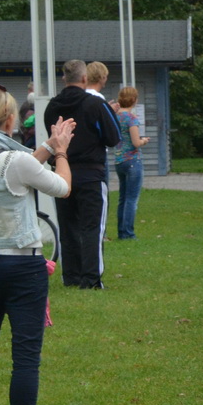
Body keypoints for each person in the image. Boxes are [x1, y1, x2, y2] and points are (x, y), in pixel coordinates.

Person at [0, 86, 74, 405]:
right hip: (21, 267)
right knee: (25, 359)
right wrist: (60, 152)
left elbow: (14, 174)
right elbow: (62, 187)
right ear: (12, 118)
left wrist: (45, 147)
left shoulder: (7, 158)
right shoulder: (16, 159)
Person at [41, 60, 121, 289]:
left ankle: (71, 276)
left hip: (61, 173)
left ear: (64, 78)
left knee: (67, 226)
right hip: (90, 173)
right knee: (92, 226)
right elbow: (113, 137)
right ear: (85, 79)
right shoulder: (94, 104)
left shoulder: (52, 106)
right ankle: (91, 279)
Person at [110, 87, 149, 241]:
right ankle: (128, 233)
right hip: (133, 161)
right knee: (132, 199)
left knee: (123, 198)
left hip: (119, 161)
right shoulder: (131, 118)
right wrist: (144, 141)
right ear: (134, 100)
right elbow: (136, 142)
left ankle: (121, 231)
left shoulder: (115, 117)